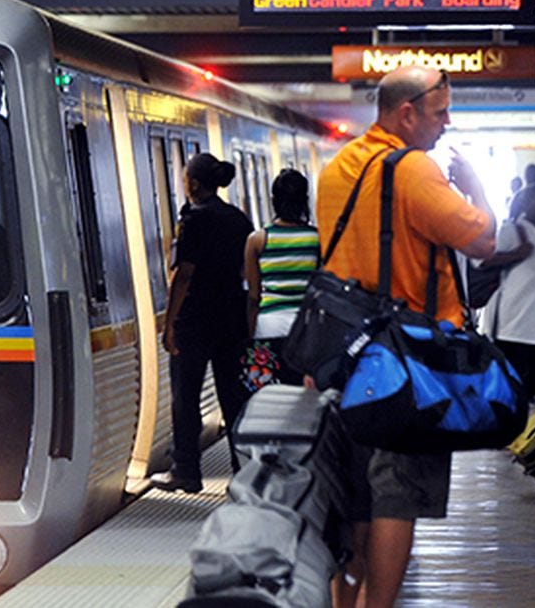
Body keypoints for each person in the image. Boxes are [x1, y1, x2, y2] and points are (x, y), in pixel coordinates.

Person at [316, 66, 495, 608]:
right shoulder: (413, 169)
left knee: (352, 498)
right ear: (407, 113)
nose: (447, 123)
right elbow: (483, 240)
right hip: (407, 360)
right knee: (397, 496)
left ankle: (344, 604)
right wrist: (474, 187)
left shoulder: (339, 167)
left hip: (345, 353)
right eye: (440, 113)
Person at [151, 152, 253, 494]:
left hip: (194, 321)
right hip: (232, 319)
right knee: (234, 398)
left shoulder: (192, 220)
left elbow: (184, 275)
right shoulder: (238, 219)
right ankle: (243, 471)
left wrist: (170, 324)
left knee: (186, 397)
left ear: (193, 184)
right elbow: (246, 271)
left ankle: (186, 471)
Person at [239, 168, 318, 394]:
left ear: (274, 200)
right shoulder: (318, 238)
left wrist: (251, 335)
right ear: (304, 200)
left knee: (273, 394)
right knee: (305, 394)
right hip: (306, 326)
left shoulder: (257, 240)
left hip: (269, 325)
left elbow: (254, 296)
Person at [480, 186, 535, 406]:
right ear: (527, 203)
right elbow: (482, 260)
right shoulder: (511, 231)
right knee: (512, 391)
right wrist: (515, 255)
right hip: (514, 328)